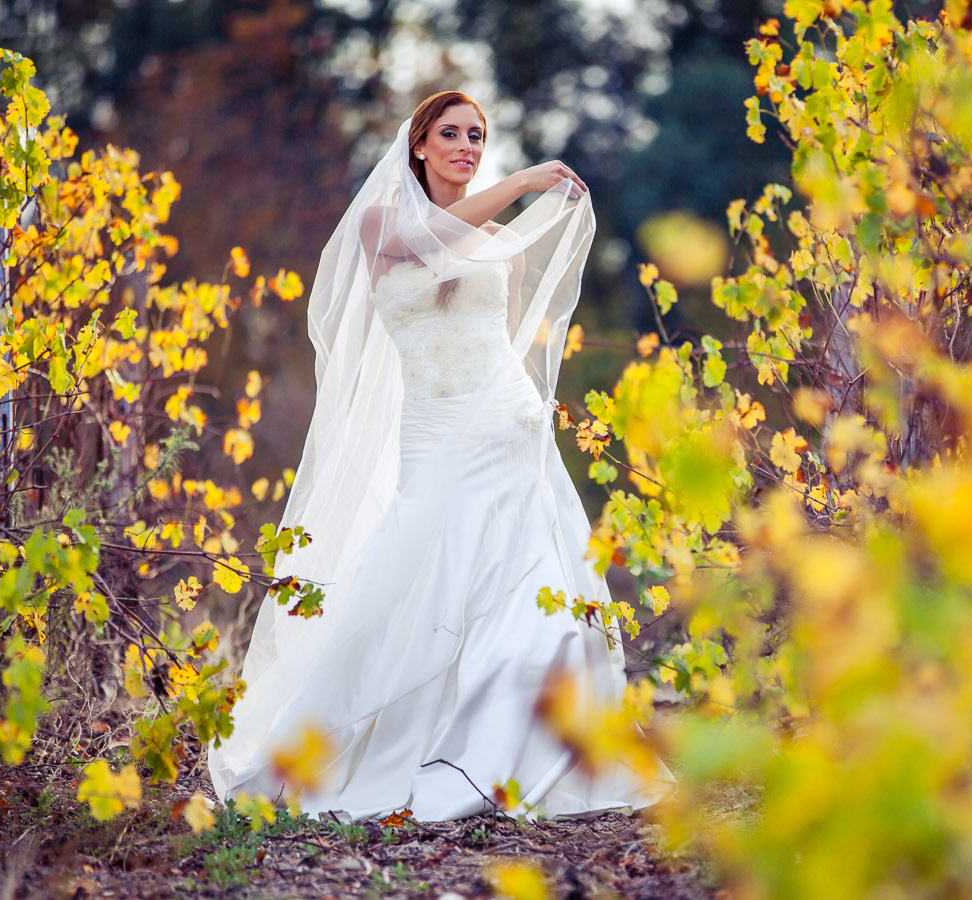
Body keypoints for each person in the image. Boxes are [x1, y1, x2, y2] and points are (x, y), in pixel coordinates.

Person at [205, 91, 676, 823]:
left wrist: (533, 413)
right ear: (418, 145)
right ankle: (389, 743)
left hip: (510, 430)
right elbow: (432, 241)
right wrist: (523, 185)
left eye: (478, 136)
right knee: (416, 584)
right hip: (434, 436)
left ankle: (527, 752)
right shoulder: (378, 226)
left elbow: (510, 340)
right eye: (451, 133)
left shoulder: (502, 252)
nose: (466, 145)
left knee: (532, 598)